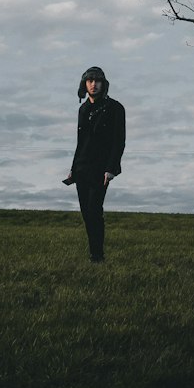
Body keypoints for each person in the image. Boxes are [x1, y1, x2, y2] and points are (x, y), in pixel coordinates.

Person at [62, 66, 126, 263]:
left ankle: (97, 256)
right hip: (82, 168)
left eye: (97, 80)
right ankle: (94, 254)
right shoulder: (83, 109)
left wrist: (111, 168)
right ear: (84, 84)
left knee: (94, 211)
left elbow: (118, 140)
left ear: (103, 84)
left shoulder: (115, 108)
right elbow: (81, 142)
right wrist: (73, 168)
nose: (93, 84)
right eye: (89, 80)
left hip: (101, 169)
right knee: (86, 214)